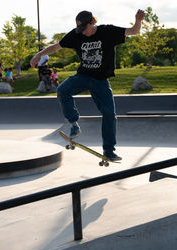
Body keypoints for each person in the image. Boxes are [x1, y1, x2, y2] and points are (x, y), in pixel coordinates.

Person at [30, 9, 145, 161]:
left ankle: (109, 151)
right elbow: (57, 46)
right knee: (62, 90)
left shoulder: (107, 31)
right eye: (81, 30)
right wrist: (39, 55)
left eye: (85, 29)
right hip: (83, 76)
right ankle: (73, 125)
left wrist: (138, 20)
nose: (83, 33)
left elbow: (134, 31)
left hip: (100, 81)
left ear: (93, 22)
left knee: (110, 114)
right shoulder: (76, 34)